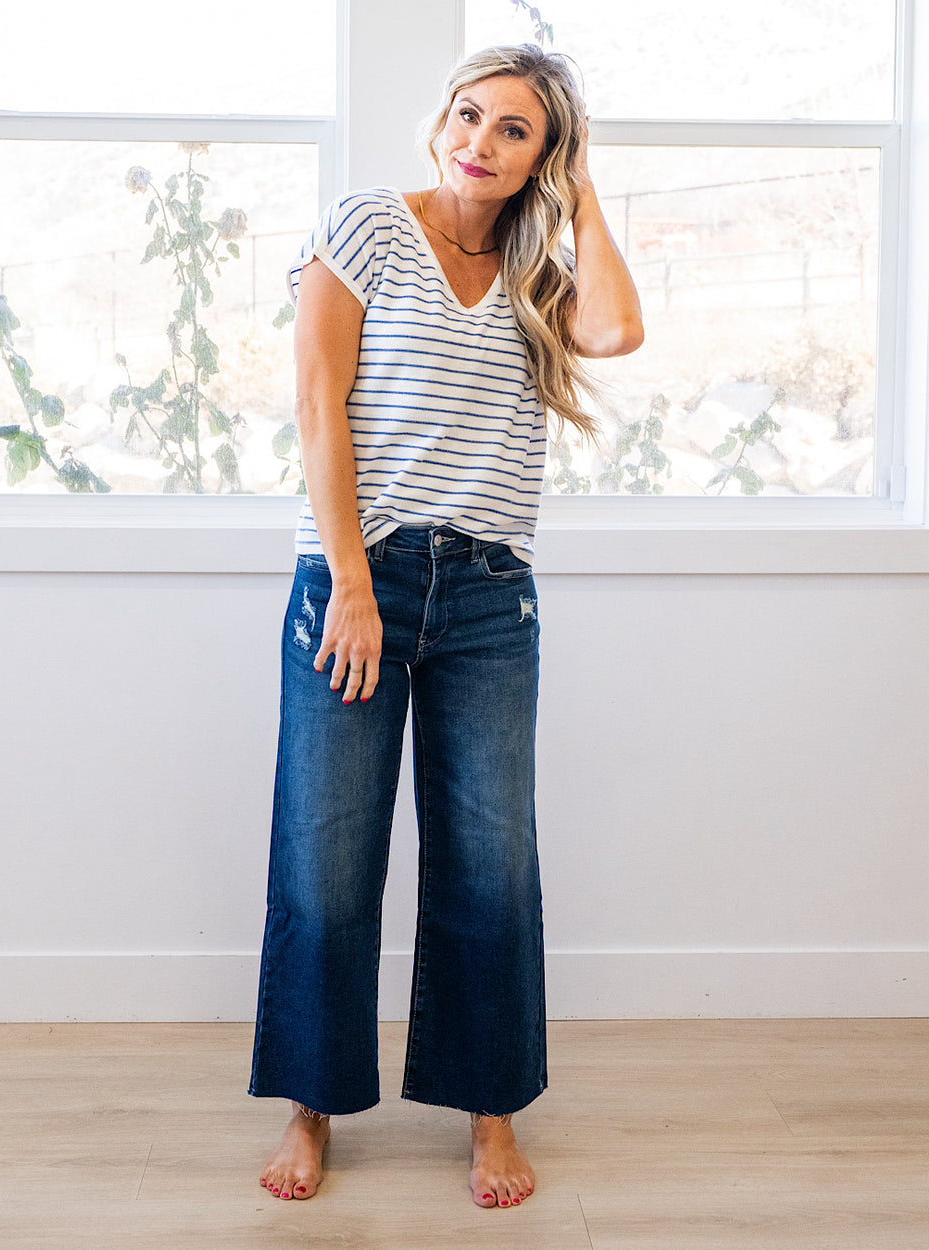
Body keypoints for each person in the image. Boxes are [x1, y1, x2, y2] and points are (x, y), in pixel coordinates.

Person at [248, 43, 643, 1209]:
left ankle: (490, 1114)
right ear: (443, 119)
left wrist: (583, 202)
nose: (479, 140)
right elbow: (318, 405)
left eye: (513, 130)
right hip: (353, 585)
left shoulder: (534, 267)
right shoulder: (370, 225)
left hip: (486, 597)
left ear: (541, 159)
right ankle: (310, 1105)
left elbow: (617, 332)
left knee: (489, 866)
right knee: (325, 865)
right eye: (469, 115)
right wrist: (356, 582)